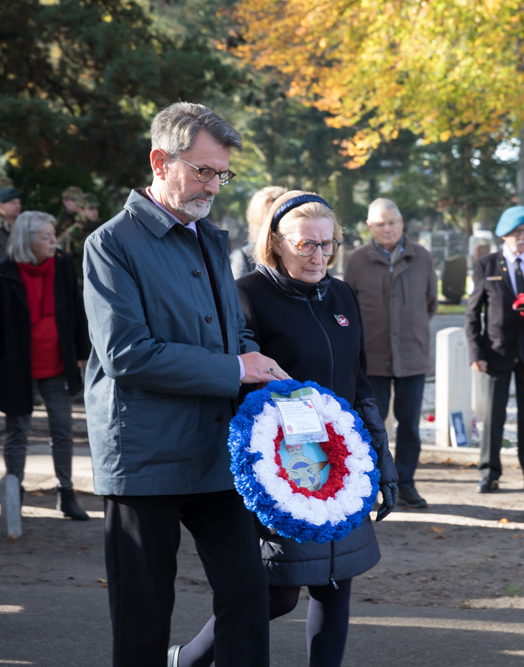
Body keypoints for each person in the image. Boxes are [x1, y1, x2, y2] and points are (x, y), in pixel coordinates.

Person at [82, 101, 287, 667]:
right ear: (159, 161)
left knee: (250, 593)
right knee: (144, 615)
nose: (215, 185)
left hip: (217, 453)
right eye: (203, 170)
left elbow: (234, 327)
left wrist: (251, 356)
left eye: (222, 173)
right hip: (144, 458)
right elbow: (126, 353)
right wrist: (233, 369)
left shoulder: (209, 238)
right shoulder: (110, 244)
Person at [171, 190, 399, 667]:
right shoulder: (247, 295)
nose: (319, 256)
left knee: (336, 587)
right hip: (284, 468)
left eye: (328, 243)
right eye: (306, 245)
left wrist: (383, 458)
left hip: (341, 465)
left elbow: (359, 385)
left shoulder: (341, 295)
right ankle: (187, 660)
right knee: (278, 595)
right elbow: (241, 386)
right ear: (276, 242)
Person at [0, 211, 90, 519]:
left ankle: (66, 495)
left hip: (57, 363)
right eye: (47, 236)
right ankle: (14, 495)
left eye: (54, 234)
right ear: (27, 241)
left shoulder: (63, 264)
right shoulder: (0, 274)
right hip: (18, 367)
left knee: (62, 430)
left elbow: (76, 310)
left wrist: (82, 353)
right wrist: (0, 364)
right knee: (18, 431)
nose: (54, 241)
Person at [345, 197, 437, 509]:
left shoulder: (422, 257)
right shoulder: (357, 261)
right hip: (373, 357)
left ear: (402, 223)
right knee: (372, 423)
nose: (388, 228)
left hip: (412, 356)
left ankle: (406, 482)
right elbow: (349, 307)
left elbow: (430, 303)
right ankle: (370, 484)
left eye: (392, 222)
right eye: (380, 223)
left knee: (409, 424)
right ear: (369, 226)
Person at [465, 205, 524, 494]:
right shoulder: (487, 265)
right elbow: (473, 313)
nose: (523, 237)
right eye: (517, 232)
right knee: (493, 417)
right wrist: (475, 353)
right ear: (505, 235)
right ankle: (489, 474)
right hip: (496, 351)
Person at [230, 185, 285, 279]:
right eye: (270, 215)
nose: (277, 220)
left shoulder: (303, 250)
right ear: (258, 219)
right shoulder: (245, 256)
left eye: (282, 213)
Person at [58, 193, 101, 282]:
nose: (95, 212)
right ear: (80, 210)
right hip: (79, 284)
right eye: (91, 208)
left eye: (96, 208)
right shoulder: (72, 233)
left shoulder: (98, 230)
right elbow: (64, 263)